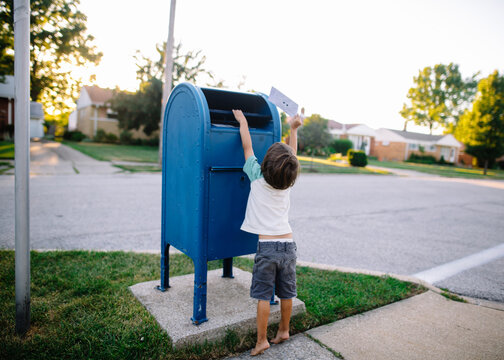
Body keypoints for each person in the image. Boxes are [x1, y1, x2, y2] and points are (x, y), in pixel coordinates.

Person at [232, 109, 303, 356]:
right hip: (288, 245)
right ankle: (284, 330)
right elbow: (292, 157)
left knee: (264, 296)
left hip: (268, 248)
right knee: (286, 292)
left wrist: (243, 122)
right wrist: (293, 129)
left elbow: (247, 146)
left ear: (265, 164)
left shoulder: (256, 176)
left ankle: (262, 340)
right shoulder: (288, 183)